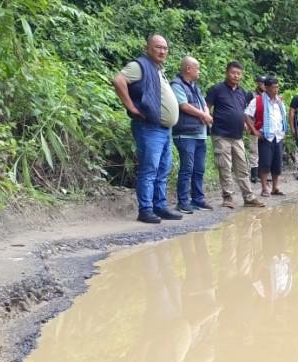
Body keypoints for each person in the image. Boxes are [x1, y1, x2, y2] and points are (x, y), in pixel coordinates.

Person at [112, 34, 182, 224]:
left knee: (162, 170)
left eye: (165, 48)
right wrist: (131, 107)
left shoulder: (157, 69)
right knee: (149, 169)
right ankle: (145, 210)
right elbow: (118, 80)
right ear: (147, 48)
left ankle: (159, 207)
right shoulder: (139, 65)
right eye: (158, 47)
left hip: (164, 130)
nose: (162, 51)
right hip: (149, 127)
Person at [206, 61, 264, 209]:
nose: (236, 76)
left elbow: (243, 112)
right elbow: (206, 108)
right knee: (225, 166)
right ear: (227, 72)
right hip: (221, 134)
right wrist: (208, 121)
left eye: (238, 73)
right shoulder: (216, 89)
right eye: (233, 73)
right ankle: (228, 197)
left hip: (237, 135)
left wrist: (248, 124)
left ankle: (248, 197)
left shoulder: (243, 92)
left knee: (242, 167)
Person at [169, 56, 215, 214]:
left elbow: (203, 104)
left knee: (199, 169)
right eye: (198, 68)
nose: (199, 71)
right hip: (185, 134)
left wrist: (206, 114)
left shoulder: (195, 86)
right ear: (188, 69)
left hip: (200, 134)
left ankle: (198, 199)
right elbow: (183, 105)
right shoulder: (176, 85)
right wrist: (203, 115)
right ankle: (182, 201)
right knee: (187, 169)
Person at [245, 76, 288, 198]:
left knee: (277, 163)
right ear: (266, 88)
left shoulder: (280, 102)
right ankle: (264, 188)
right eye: (273, 87)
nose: (276, 90)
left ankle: (275, 187)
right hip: (266, 136)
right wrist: (255, 130)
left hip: (278, 136)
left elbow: (282, 118)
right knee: (264, 163)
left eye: (277, 87)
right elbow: (246, 115)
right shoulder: (258, 101)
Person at [249, 75, 269, 183]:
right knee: (254, 150)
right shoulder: (252, 95)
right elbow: (246, 110)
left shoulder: (269, 96)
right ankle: (254, 174)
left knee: (264, 151)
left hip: (266, 127)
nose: (263, 85)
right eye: (261, 83)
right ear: (257, 83)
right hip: (255, 125)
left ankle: (262, 174)